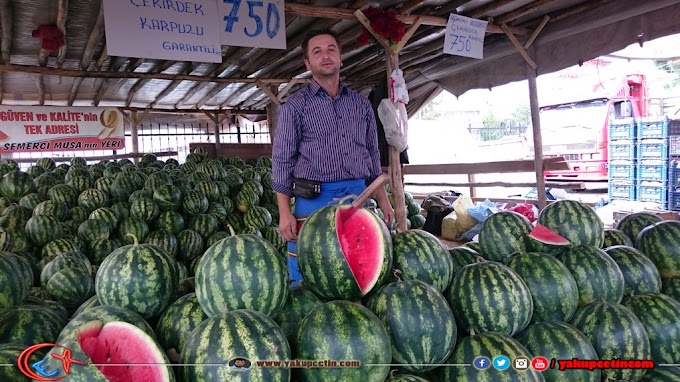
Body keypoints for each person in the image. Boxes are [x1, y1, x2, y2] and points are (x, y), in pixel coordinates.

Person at [272, 28, 395, 288]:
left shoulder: (361, 105)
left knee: (357, 270)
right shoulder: (294, 107)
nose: (325, 56)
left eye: (331, 49)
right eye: (317, 52)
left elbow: (372, 157)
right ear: (307, 63)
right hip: (312, 201)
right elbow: (282, 162)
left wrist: (383, 200)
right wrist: (284, 213)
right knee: (307, 272)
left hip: (358, 196)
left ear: (341, 58)